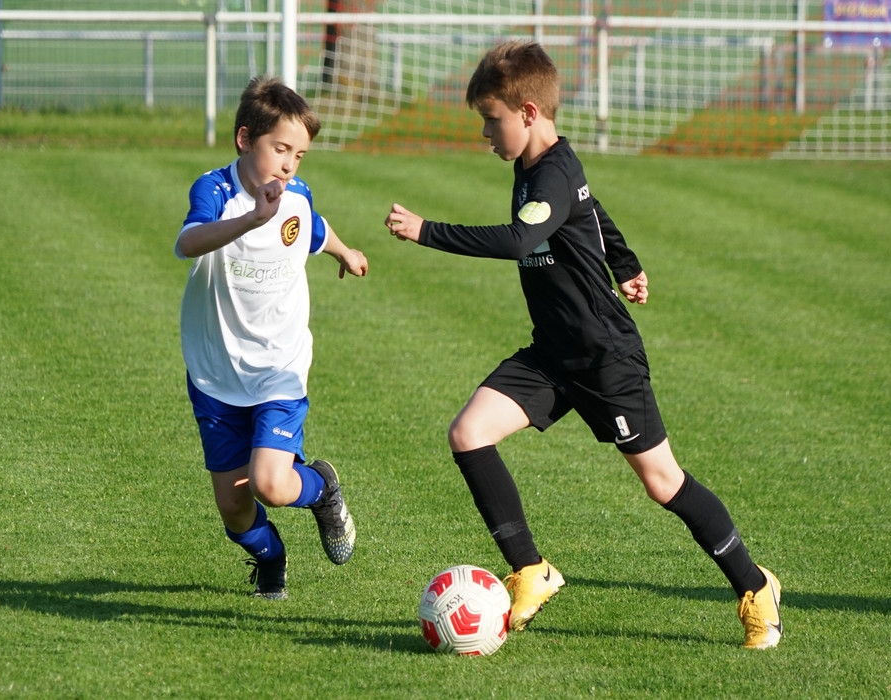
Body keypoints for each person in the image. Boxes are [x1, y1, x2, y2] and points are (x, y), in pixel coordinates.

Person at [384, 41, 782, 649]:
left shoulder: (551, 172)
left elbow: (520, 240)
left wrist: (426, 231)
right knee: (468, 433)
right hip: (552, 355)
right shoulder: (539, 166)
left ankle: (755, 587)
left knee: (663, 482)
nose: (485, 133)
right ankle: (531, 570)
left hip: (604, 357)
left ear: (527, 113)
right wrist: (625, 262)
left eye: (491, 120)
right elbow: (591, 209)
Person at [176, 76, 367, 600]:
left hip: (280, 365)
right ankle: (271, 558)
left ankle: (321, 489)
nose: (289, 165)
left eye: (299, 155)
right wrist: (252, 219)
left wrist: (345, 252)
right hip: (215, 373)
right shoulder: (214, 191)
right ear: (245, 139)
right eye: (280, 149)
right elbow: (189, 242)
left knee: (271, 484)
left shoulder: (296, 196)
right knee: (235, 508)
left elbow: (314, 227)